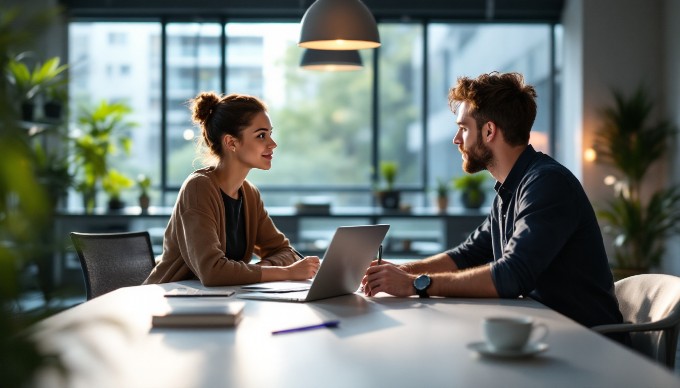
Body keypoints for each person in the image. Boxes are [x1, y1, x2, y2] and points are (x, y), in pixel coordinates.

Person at [362, 72, 626, 340]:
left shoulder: (547, 183)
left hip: (587, 343)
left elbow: (512, 275)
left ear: (489, 131)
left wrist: (415, 285)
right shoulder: (511, 188)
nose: (456, 139)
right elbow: (468, 254)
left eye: (463, 128)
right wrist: (400, 271)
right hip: (545, 332)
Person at [144, 92, 319, 286]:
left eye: (270, 134)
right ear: (231, 142)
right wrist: (284, 272)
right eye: (261, 135)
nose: (273, 144)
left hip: (219, 301)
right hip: (170, 303)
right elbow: (213, 272)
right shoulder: (198, 188)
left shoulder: (250, 194)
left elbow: (285, 251)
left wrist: (264, 268)